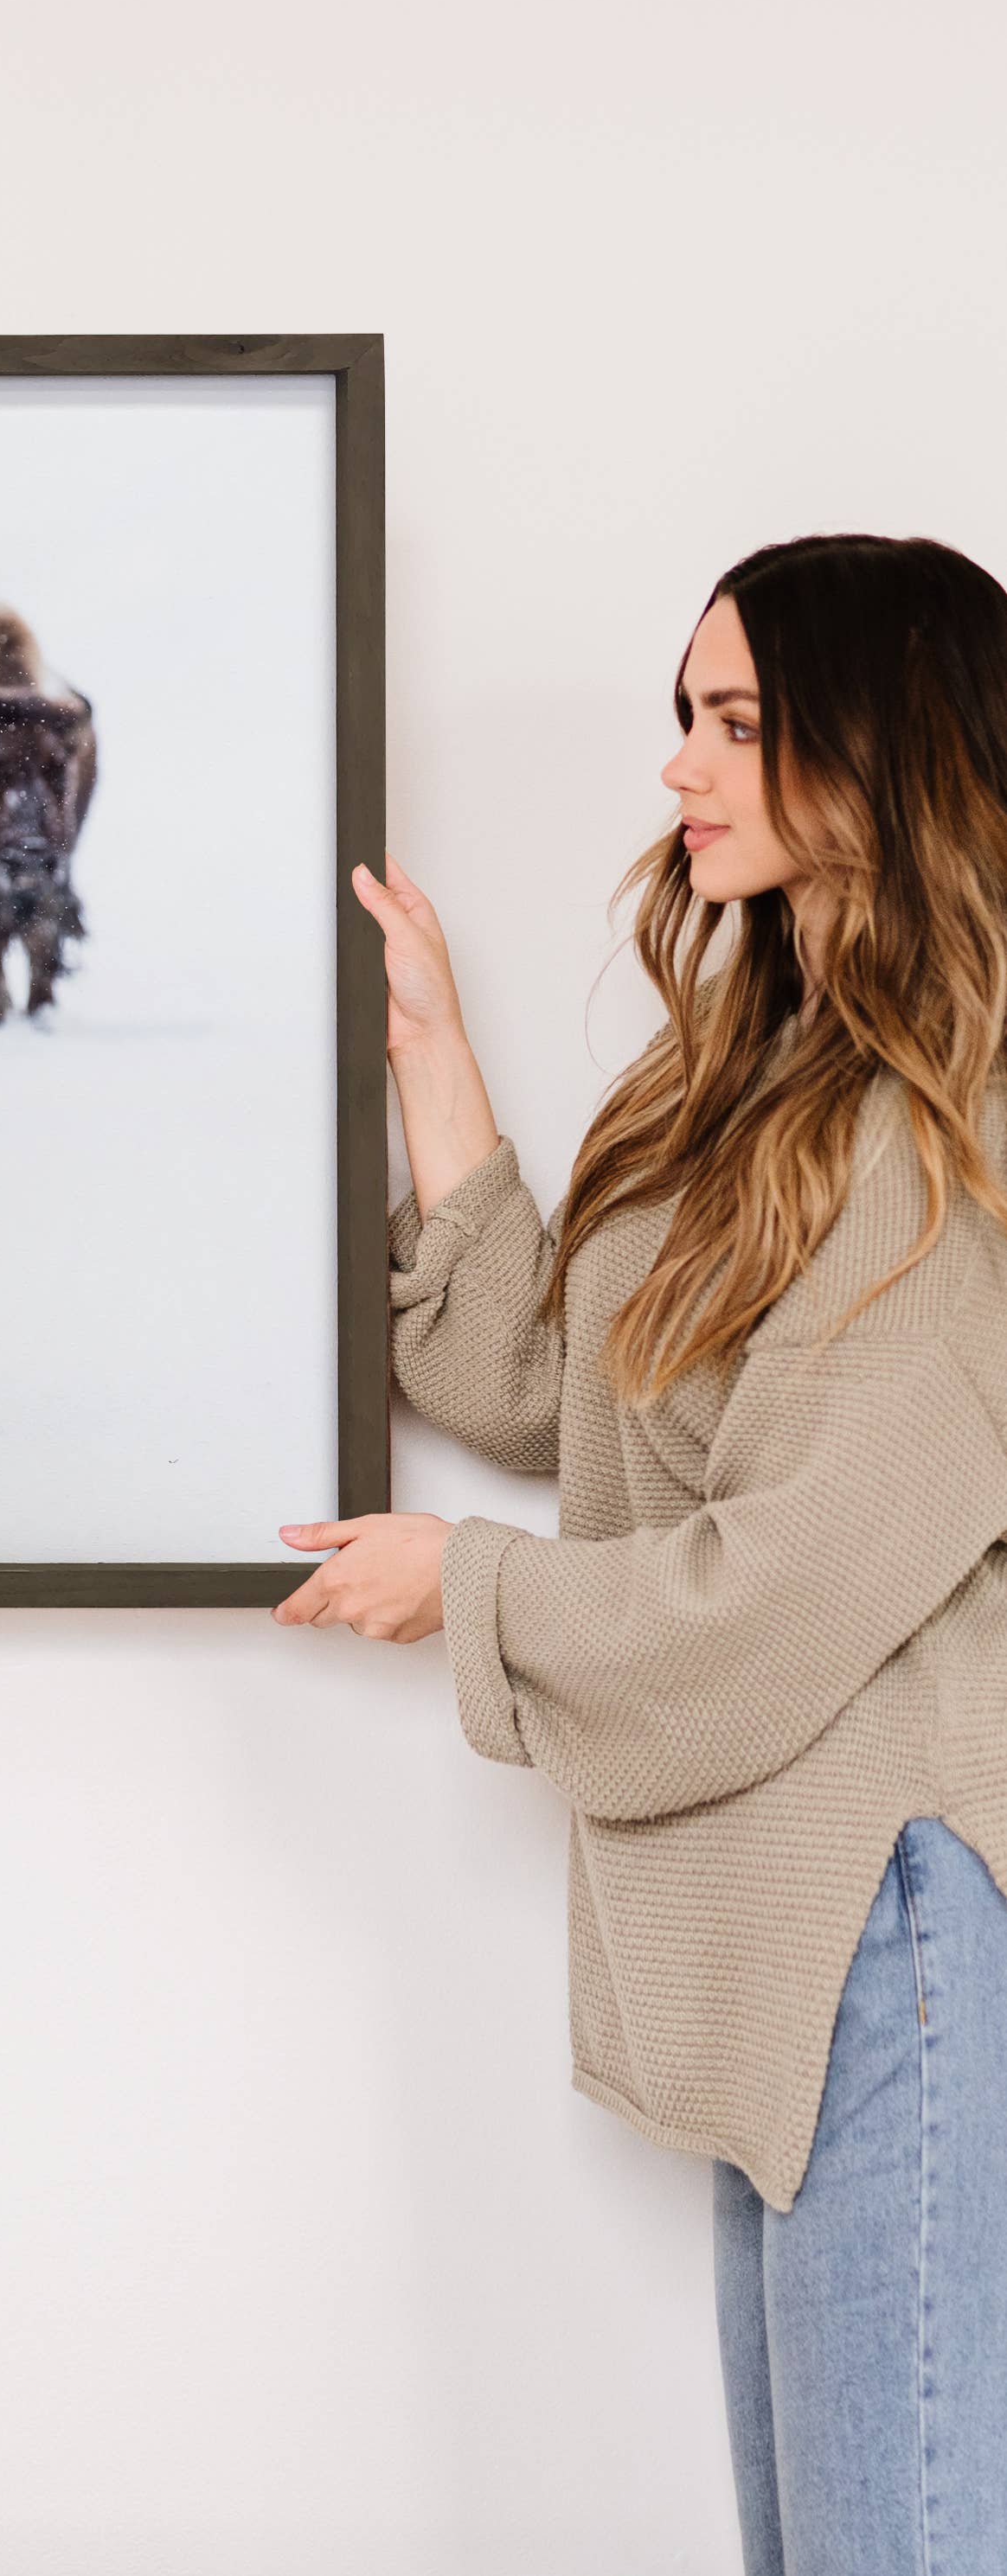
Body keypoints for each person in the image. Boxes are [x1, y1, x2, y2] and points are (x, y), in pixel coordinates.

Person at [277, 535, 1007, 2573]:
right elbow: (562, 1388)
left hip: (900, 1941)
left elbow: (788, 1583)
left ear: (886, 752)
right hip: (792, 1950)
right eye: (685, 720)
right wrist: (430, 1048)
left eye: (741, 725)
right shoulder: (760, 1077)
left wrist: (469, 1591)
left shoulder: (964, 1134)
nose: (685, 770)